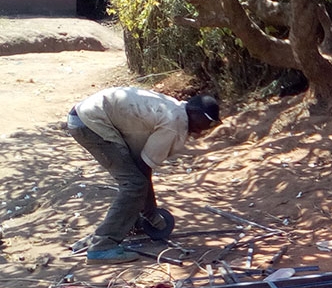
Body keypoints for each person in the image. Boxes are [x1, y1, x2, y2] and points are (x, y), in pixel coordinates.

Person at [67, 87, 221, 264]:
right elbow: (144, 167)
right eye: (204, 124)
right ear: (194, 112)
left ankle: (131, 222)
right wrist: (151, 212)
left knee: (135, 180)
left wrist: (148, 211)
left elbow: (141, 164)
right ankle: (101, 247)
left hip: (87, 116)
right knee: (134, 184)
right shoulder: (174, 124)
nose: (201, 131)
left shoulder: (176, 109)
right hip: (90, 123)